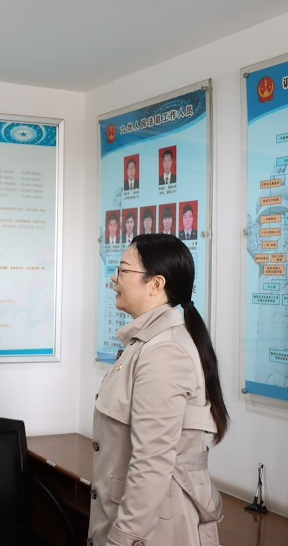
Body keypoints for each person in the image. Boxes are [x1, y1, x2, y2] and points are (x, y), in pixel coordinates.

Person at [89, 233, 229, 546]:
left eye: (123, 270)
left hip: (152, 532)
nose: (114, 278)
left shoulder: (165, 352)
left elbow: (151, 464)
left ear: (155, 284)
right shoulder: (145, 343)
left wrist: (121, 541)